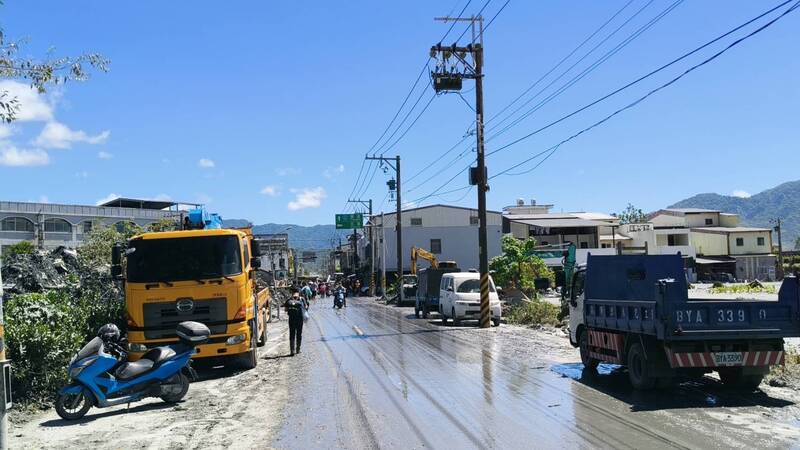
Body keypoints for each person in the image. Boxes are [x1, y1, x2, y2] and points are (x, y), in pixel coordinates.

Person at [284, 290, 308, 356]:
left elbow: (286, 310)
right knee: (299, 334)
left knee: (292, 334)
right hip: (299, 320)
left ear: (292, 293)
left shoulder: (288, 300)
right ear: (298, 293)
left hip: (291, 319)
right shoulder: (302, 299)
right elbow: (306, 307)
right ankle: (298, 349)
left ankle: (292, 351)